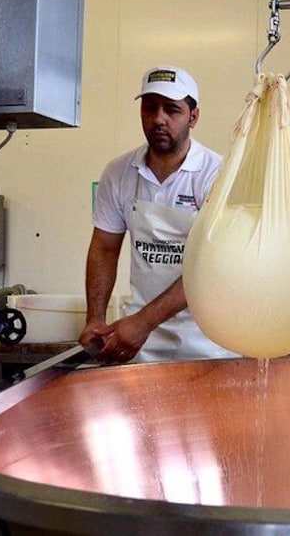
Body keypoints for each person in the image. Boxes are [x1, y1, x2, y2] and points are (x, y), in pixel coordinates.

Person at [79, 65, 236, 363]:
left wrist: (142, 323)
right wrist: (95, 318)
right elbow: (104, 248)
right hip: (142, 347)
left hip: (208, 343)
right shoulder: (119, 173)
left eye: (172, 110)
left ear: (194, 116)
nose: (158, 119)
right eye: (149, 108)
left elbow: (210, 269)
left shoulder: (219, 174)